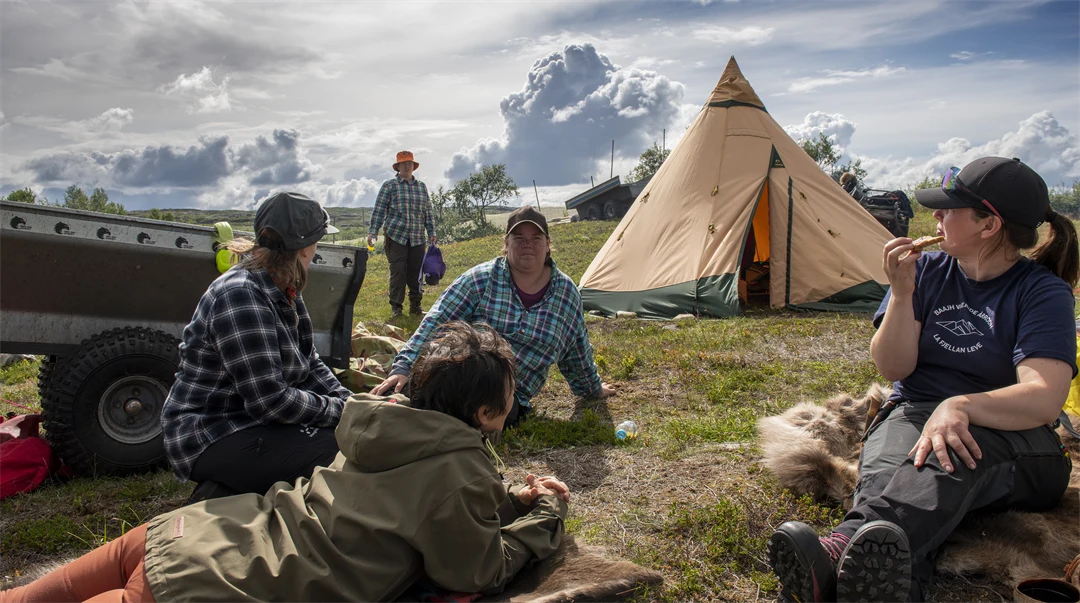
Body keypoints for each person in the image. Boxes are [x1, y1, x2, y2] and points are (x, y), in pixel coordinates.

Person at [2, 322, 570, 603]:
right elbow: (474, 569)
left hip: (185, 535)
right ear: (486, 412)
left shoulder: (378, 422)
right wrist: (544, 513)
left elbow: (424, 499)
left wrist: (510, 499)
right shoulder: (459, 470)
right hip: (207, 587)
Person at [768, 157, 1078, 603]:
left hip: (1019, 439)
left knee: (950, 451)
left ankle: (836, 550)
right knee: (886, 474)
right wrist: (902, 293)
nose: (934, 218)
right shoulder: (927, 272)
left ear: (989, 224)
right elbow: (894, 369)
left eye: (948, 209)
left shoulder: (1041, 292)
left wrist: (960, 406)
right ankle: (884, 586)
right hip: (916, 412)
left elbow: (1043, 398)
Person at [160, 191, 353, 502]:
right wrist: (342, 412)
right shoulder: (241, 295)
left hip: (250, 421)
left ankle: (233, 488)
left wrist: (348, 401)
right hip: (213, 430)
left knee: (343, 435)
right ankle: (221, 494)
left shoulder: (282, 286)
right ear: (305, 248)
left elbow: (310, 362)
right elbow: (272, 401)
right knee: (341, 450)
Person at [372, 206, 616, 426]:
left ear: (548, 244)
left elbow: (577, 348)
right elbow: (436, 322)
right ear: (506, 243)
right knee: (402, 399)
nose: (527, 244)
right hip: (460, 378)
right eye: (519, 238)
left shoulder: (566, 294)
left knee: (463, 416)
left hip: (509, 398)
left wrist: (592, 388)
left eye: (536, 238)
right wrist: (403, 367)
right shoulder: (479, 279)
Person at [368, 150, 437, 318]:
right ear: (398, 167)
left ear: (413, 166)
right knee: (398, 271)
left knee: (416, 272)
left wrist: (431, 231)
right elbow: (379, 210)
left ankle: (415, 306)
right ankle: (396, 308)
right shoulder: (389, 186)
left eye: (410, 163)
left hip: (417, 237)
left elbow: (428, 211)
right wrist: (373, 231)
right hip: (396, 236)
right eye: (404, 163)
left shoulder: (421, 187)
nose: (407, 166)